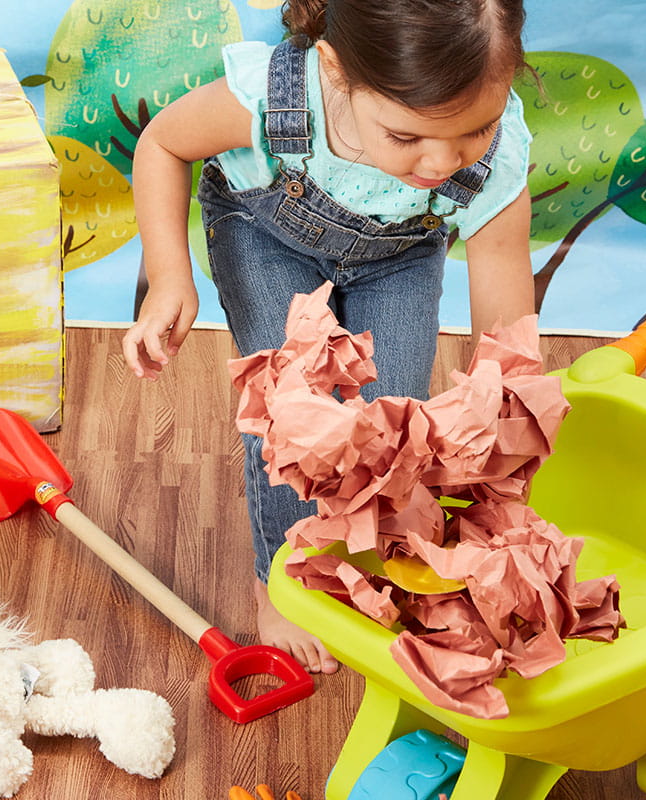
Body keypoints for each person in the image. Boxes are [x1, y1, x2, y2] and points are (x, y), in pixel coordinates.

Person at [122, 0, 536, 674]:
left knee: (388, 419)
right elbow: (161, 145)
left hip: (398, 254)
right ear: (337, 71)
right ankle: (280, 580)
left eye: (475, 130)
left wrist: (507, 405)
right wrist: (170, 277)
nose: (442, 162)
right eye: (405, 136)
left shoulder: (496, 150)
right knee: (295, 412)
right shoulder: (277, 95)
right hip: (263, 232)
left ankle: (357, 556)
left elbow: (503, 302)